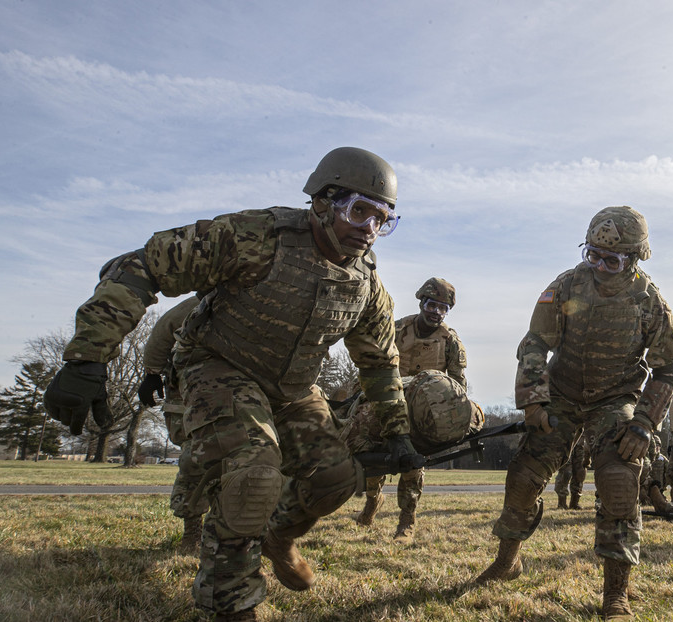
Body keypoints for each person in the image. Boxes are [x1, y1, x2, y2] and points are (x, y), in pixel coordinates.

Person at [43, 147, 421, 622]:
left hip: (293, 389)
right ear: (322, 203)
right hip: (219, 366)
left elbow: (381, 364)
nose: (368, 229)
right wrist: (88, 359)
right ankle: (232, 605)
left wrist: (398, 431)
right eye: (358, 210)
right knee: (254, 477)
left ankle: (278, 539)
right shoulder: (255, 237)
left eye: (382, 219)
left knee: (337, 479)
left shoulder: (367, 287)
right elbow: (143, 265)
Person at [474, 206, 673, 620]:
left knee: (619, 477)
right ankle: (508, 560)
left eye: (613, 260)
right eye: (593, 256)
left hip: (614, 398)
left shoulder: (650, 301)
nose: (601, 267)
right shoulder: (568, 284)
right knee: (523, 476)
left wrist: (643, 423)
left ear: (636, 259)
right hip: (563, 394)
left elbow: (670, 369)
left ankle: (616, 594)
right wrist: (534, 399)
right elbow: (535, 342)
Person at [353, 277, 467, 543]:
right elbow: (373, 364)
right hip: (388, 406)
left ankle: (407, 521)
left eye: (442, 308)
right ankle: (373, 501)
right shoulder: (396, 330)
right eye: (431, 305)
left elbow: (456, 388)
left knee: (413, 464)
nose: (436, 312)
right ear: (421, 303)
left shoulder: (450, 342)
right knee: (374, 457)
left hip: (422, 415)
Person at [137, 295, 205, 553]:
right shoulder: (206, 299)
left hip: (239, 392)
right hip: (189, 393)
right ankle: (192, 533)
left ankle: (229, 532)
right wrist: (152, 373)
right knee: (194, 458)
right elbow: (164, 329)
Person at [554, 425, 596, 509]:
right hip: (566, 437)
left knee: (580, 472)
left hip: (582, 441)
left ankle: (574, 503)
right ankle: (561, 504)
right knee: (566, 472)